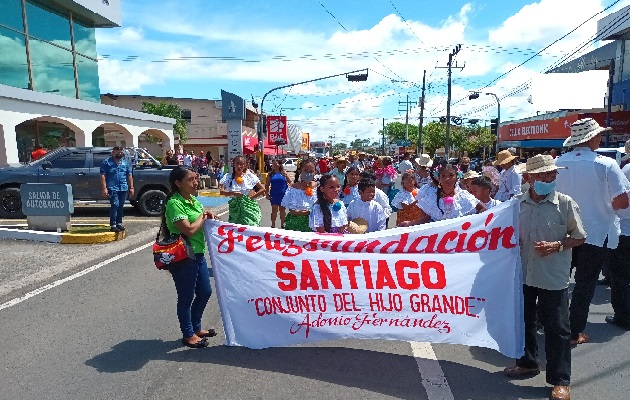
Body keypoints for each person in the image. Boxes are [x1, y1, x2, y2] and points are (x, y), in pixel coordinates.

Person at [503, 155, 586, 400]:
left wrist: (557, 245)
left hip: (552, 276)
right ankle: (527, 362)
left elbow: (579, 236)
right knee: (523, 322)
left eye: (552, 174)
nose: (549, 179)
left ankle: (560, 380)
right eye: (542, 175)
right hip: (523, 274)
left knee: (557, 328)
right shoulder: (516, 205)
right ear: (528, 178)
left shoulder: (566, 204)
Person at [555, 118, 630, 345]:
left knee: (558, 281)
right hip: (595, 233)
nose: (600, 138)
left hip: (562, 231)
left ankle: (550, 322)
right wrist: (602, 204)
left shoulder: (558, 162)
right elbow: (622, 201)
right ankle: (574, 331)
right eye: (598, 135)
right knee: (584, 284)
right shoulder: (605, 164)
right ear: (591, 138)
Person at [162, 166, 218, 349]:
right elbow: (190, 229)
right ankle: (188, 334)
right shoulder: (174, 203)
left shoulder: (193, 200)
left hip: (198, 253)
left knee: (205, 292)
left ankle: (196, 327)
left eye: (196, 178)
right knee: (186, 296)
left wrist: (207, 215)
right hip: (183, 256)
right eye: (191, 180)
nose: (196, 182)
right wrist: (203, 217)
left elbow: (199, 221)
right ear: (178, 183)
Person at [398, 159, 485, 226]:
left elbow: (483, 209)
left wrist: (472, 223)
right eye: (443, 176)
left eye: (451, 175)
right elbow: (426, 219)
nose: (447, 179)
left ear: (457, 178)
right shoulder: (431, 198)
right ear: (438, 178)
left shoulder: (463, 196)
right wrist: (410, 223)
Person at [609, 158, 630, 330]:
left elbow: (620, 201)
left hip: (625, 229)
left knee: (621, 277)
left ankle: (624, 316)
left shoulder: (626, 170)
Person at [219, 155, 266, 226]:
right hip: (235, 207)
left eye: (242, 164)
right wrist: (233, 193)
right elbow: (221, 192)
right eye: (237, 163)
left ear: (245, 165)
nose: (239, 166)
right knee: (236, 229)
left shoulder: (250, 176)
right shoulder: (228, 177)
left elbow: (263, 189)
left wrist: (252, 197)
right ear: (234, 164)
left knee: (251, 225)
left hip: (249, 206)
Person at [100, 146, 134, 232]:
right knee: (115, 205)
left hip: (123, 187)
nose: (119, 154)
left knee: (121, 206)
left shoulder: (125, 163)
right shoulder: (107, 162)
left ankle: (119, 223)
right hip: (112, 188)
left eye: (121, 152)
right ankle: (113, 224)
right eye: (117, 152)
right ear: (113, 152)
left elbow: (129, 175)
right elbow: (103, 175)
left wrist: (131, 187)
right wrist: (104, 188)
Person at [281, 158, 318, 232]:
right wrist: (300, 212)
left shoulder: (319, 188)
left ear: (315, 172)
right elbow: (290, 209)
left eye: (311, 171)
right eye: (305, 171)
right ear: (300, 171)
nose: (308, 174)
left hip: (314, 223)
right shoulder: (293, 189)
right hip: (295, 223)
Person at [265, 160, 291, 229]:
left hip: (283, 194)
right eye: (272, 163)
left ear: (279, 165)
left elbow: (290, 182)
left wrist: (290, 191)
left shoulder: (284, 173)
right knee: (274, 209)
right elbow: (267, 185)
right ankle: (273, 225)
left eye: (275, 163)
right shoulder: (270, 174)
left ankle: (282, 224)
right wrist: (266, 193)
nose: (273, 165)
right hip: (274, 194)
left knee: (282, 209)